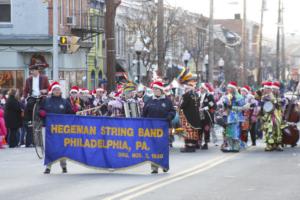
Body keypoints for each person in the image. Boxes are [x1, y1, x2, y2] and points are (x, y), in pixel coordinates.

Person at [39, 82, 74, 174]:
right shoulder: (46, 101)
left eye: (58, 89)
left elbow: (70, 113)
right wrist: (41, 112)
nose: (57, 91)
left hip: (62, 129)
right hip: (49, 128)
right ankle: (48, 166)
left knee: (62, 147)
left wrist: (74, 110)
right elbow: (39, 110)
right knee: (50, 147)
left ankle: (64, 166)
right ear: (52, 91)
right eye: (55, 90)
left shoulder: (64, 101)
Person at [143, 80, 175, 174]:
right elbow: (144, 114)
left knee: (163, 147)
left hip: (164, 129)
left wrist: (169, 117)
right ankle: (154, 167)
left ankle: (164, 165)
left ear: (161, 90)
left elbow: (173, 111)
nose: (155, 91)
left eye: (157, 89)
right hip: (152, 129)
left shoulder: (167, 101)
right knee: (153, 148)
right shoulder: (149, 101)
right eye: (154, 89)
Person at [23, 63, 49, 147]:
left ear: (37, 71)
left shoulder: (44, 78)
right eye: (31, 71)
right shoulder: (29, 79)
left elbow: (49, 87)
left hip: (42, 96)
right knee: (28, 105)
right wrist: (24, 97)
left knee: (43, 107)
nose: (32, 72)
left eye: (33, 71)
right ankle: (29, 120)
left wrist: (45, 91)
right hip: (33, 96)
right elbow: (25, 90)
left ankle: (43, 119)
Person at [220, 81, 246, 152]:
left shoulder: (239, 96)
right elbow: (225, 106)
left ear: (233, 89)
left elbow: (242, 107)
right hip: (229, 116)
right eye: (228, 88)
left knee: (235, 131)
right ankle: (231, 146)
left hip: (236, 116)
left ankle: (236, 147)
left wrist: (233, 105)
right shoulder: (228, 96)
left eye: (229, 88)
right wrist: (225, 105)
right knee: (229, 132)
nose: (228, 89)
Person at [197, 83, 216, 150]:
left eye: (202, 88)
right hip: (199, 114)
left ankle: (206, 143)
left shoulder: (209, 96)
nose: (201, 89)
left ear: (205, 89)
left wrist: (205, 107)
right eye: (200, 88)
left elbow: (213, 104)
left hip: (206, 114)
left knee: (206, 129)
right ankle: (199, 142)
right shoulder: (198, 95)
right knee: (199, 128)